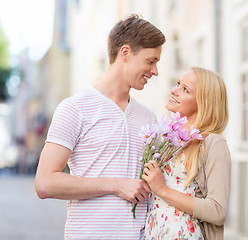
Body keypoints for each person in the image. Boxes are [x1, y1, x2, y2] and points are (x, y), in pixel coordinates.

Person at [35, 14, 166, 240]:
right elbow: (45, 183)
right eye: (150, 61)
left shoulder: (149, 117)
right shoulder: (74, 108)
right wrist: (115, 185)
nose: (155, 71)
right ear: (125, 53)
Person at [142, 67, 231, 240]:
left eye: (185, 89)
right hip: (154, 233)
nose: (174, 91)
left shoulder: (212, 143)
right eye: (178, 84)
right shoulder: (165, 140)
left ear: (203, 102)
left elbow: (218, 210)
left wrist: (162, 189)